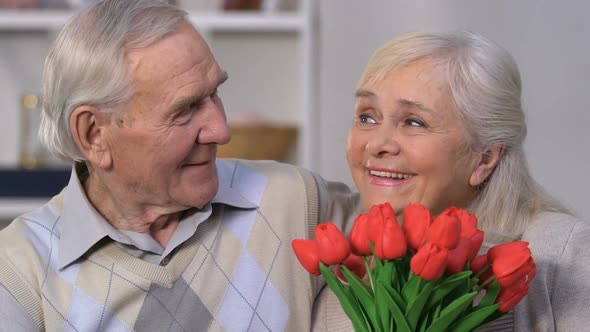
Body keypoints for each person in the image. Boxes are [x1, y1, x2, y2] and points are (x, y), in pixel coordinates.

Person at [0, 0, 361, 331]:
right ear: (94, 134)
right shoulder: (18, 271)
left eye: (215, 94)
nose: (221, 130)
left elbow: (408, 234)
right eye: (185, 110)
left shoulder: (295, 202)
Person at [312, 31, 590, 331]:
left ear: (484, 158)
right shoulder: (334, 265)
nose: (377, 144)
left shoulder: (560, 252)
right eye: (367, 117)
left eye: (414, 122)